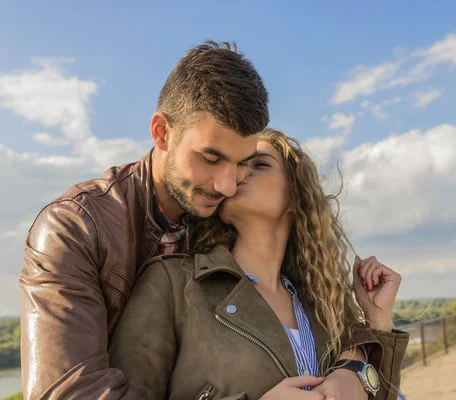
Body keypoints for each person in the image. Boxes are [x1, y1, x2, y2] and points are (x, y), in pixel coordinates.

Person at [19, 42, 380, 399]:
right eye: (210, 157)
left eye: (243, 162)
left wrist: (356, 366)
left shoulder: (223, 224)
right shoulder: (74, 227)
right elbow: (67, 392)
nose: (228, 184)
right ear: (162, 132)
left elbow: (330, 307)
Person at [109, 129, 409, 399]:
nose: (238, 174)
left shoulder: (322, 302)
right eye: (238, 165)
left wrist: (378, 319)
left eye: (259, 164)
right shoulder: (172, 283)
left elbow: (381, 395)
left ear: (296, 197)